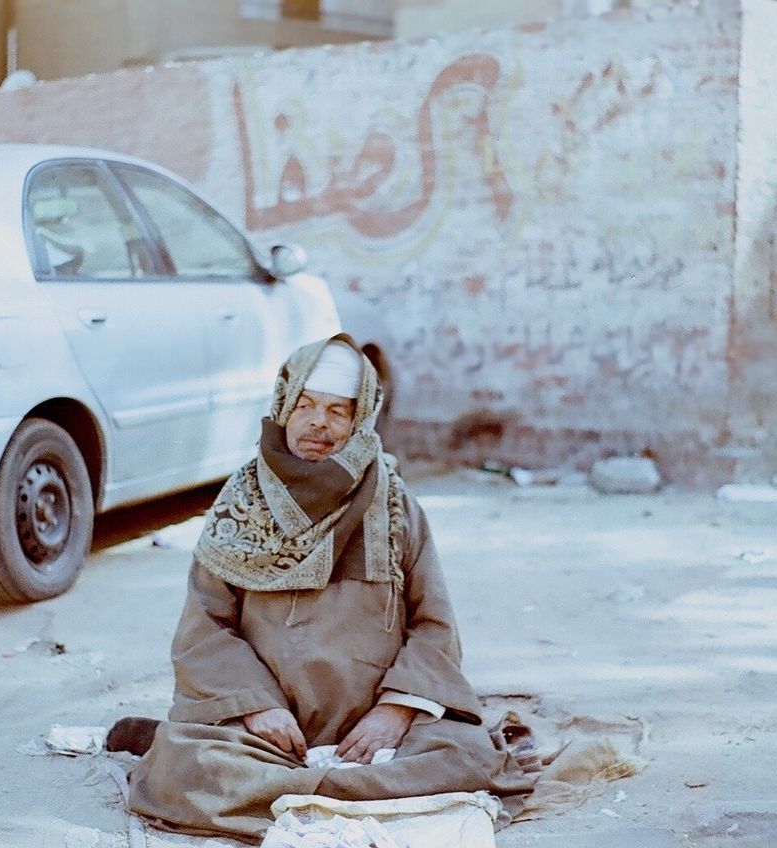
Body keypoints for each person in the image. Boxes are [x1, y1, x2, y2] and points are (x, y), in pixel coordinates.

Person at [113, 334, 535, 843]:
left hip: (375, 729)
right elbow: (205, 627)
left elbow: (433, 621)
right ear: (283, 408)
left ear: (360, 420)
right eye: (306, 406)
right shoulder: (238, 504)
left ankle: (294, 794)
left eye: (338, 411)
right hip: (263, 732)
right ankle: (346, 794)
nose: (318, 423)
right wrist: (256, 706)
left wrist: (395, 712)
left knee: (466, 756)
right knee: (191, 768)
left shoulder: (395, 504)